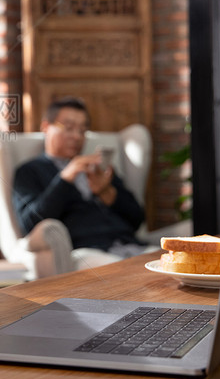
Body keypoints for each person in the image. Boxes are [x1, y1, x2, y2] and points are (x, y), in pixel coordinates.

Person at [12, 97, 148, 260]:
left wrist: (109, 194)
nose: (77, 136)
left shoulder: (97, 168)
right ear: (46, 127)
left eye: (83, 131)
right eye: (69, 128)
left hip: (131, 246)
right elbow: (31, 224)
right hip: (87, 253)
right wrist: (65, 178)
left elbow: (138, 219)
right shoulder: (29, 171)